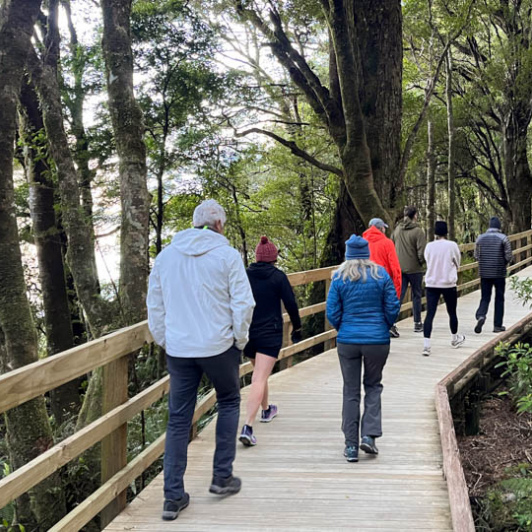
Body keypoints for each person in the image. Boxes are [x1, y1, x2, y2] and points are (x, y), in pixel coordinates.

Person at [147, 199, 255, 521]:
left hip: (180, 350)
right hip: (219, 346)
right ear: (220, 224)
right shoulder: (227, 255)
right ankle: (221, 477)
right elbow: (243, 303)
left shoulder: (166, 257)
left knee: (178, 419)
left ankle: (172, 497)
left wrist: (167, 340)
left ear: (194, 224)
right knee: (229, 401)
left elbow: (155, 307)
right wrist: (239, 339)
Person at [326, 235, 400, 463]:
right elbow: (393, 306)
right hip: (377, 341)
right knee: (373, 386)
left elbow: (332, 312)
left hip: (348, 341)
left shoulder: (339, 278)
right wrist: (383, 326)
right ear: (366, 253)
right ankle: (368, 436)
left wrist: (344, 329)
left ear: (348, 255)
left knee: (350, 391)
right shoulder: (381, 275)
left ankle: (350, 446)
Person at [239, 236, 302, 446]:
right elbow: (291, 304)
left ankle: (266, 410)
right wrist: (297, 327)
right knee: (258, 378)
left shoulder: (245, 275)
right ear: (274, 258)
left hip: (248, 334)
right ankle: (248, 426)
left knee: (260, 374)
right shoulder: (278, 277)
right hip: (269, 334)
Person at [422, 221, 465, 357]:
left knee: (430, 314)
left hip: (432, 283)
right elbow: (458, 262)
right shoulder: (452, 245)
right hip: (448, 283)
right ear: (446, 232)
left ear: (435, 232)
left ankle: (426, 345)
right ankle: (454, 338)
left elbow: (428, 261)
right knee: (452, 312)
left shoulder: (429, 246)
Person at [363, 218, 402, 337]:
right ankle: (388, 326)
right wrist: (397, 284)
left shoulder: (362, 242)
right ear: (380, 229)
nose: (385, 229)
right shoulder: (387, 243)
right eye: (383, 227)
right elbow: (394, 266)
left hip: (365, 279)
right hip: (384, 279)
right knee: (386, 304)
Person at [474, 216, 513, 334]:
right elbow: (508, 255)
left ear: (489, 226)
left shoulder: (480, 238)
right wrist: (504, 263)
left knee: (485, 297)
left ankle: (481, 315)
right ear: (499, 226)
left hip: (485, 273)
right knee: (499, 298)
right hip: (499, 273)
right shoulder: (503, 238)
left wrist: (484, 262)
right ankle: (497, 325)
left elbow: (476, 255)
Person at [391, 206, 427, 332]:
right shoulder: (418, 231)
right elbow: (422, 252)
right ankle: (417, 323)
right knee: (416, 295)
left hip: (399, 268)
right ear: (415, 215)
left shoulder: (397, 230)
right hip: (415, 269)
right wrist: (422, 263)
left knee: (399, 295)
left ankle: (392, 323)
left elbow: (392, 244)